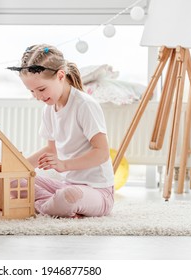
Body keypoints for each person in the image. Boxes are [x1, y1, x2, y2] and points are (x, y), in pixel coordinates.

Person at [8, 44, 114, 218]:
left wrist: (64, 165)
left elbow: (101, 153)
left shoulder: (84, 105)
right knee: (12, 181)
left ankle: (44, 206)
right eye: (32, 91)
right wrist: (19, 167)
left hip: (98, 191)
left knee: (69, 196)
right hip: (67, 185)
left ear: (61, 76)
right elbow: (51, 149)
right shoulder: (49, 108)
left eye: (41, 89)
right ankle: (54, 206)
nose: (38, 96)